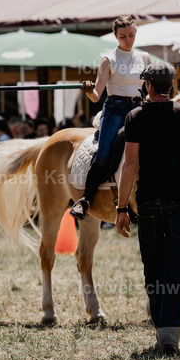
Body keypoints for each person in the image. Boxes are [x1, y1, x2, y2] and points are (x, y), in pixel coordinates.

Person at [114, 61, 180, 356]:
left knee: (153, 268)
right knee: (177, 267)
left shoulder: (135, 116)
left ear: (149, 86)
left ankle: (160, 330)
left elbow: (129, 165)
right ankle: (170, 335)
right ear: (171, 85)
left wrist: (122, 206)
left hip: (148, 202)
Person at [71, 15, 152, 220]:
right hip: (115, 109)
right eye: (123, 36)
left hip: (139, 108)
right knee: (104, 153)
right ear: (116, 36)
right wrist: (88, 90)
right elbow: (97, 95)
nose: (128, 39)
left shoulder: (145, 59)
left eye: (132, 35)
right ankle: (85, 200)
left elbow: (150, 90)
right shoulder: (109, 60)